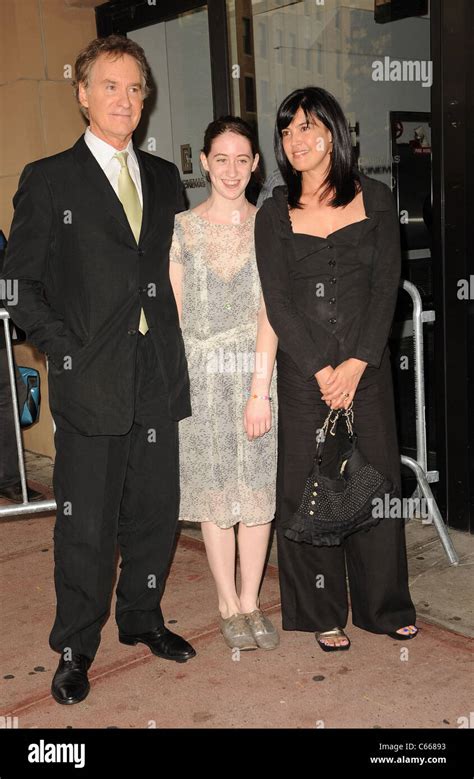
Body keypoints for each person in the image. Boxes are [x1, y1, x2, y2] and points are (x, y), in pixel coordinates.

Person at [1, 34, 196, 705]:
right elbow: (18, 284)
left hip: (157, 373)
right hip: (90, 379)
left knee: (153, 511)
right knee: (85, 525)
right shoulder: (49, 178)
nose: (125, 98)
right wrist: (62, 349)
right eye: (110, 85)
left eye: (136, 87)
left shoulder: (167, 179)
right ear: (82, 94)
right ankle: (75, 644)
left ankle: (142, 618)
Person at [254, 87, 418, 652]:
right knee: (306, 490)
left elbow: (385, 286)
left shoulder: (375, 196)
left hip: (366, 372)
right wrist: (323, 369)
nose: (294, 139)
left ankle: (383, 605)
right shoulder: (274, 212)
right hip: (305, 378)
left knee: (377, 485)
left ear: (332, 132)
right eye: (285, 130)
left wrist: (355, 363)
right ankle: (320, 610)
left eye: (305, 126)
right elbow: (277, 301)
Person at [169, 117, 279, 651]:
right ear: (205, 163)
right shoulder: (182, 229)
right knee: (216, 495)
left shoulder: (271, 226)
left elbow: (271, 313)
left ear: (256, 164)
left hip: (254, 372)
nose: (232, 170)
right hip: (201, 378)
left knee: (256, 492)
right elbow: (174, 313)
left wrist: (259, 390)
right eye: (221, 159)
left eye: (243, 159)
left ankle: (253, 599)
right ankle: (226, 603)